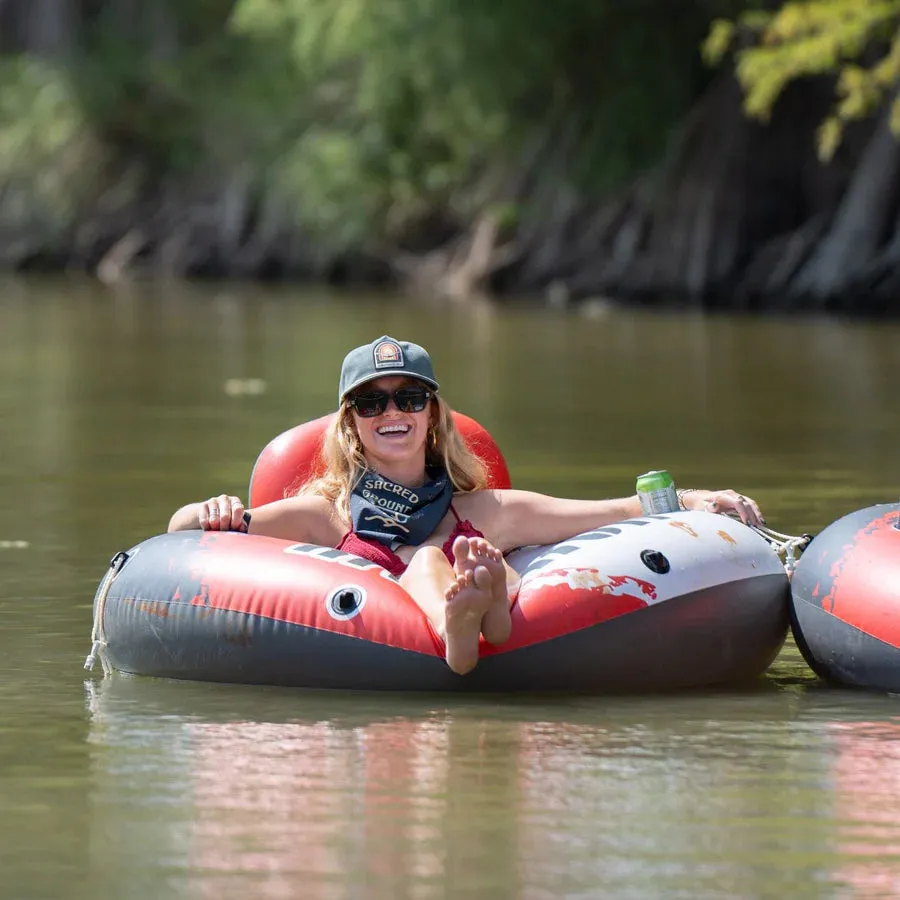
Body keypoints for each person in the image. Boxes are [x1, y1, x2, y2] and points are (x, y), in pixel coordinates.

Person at [169, 335, 764, 675]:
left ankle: (488, 607)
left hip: (482, 580)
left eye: (408, 398)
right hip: (392, 625)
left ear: (432, 417)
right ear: (351, 426)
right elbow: (185, 538)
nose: (392, 414)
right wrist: (208, 511)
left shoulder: (483, 508)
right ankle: (462, 623)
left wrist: (690, 499)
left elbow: (610, 512)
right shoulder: (324, 515)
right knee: (432, 562)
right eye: (371, 405)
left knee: (474, 552)